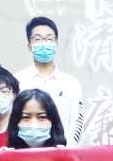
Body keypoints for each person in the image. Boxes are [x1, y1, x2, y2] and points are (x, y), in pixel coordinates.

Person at [15, 16, 83, 144]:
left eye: (49, 39)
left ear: (56, 43)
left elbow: (77, 123)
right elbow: (12, 121)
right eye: (37, 39)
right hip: (26, 151)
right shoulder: (17, 81)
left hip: (63, 151)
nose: (44, 43)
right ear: (29, 45)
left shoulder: (71, 83)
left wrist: (68, 148)